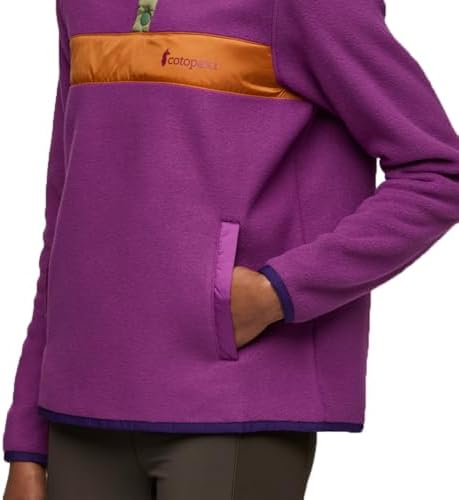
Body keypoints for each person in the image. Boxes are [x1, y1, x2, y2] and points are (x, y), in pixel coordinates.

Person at [3, 0, 459, 498]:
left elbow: (438, 172)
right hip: (76, 403)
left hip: (234, 398)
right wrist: (27, 440)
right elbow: (65, 216)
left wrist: (277, 292)